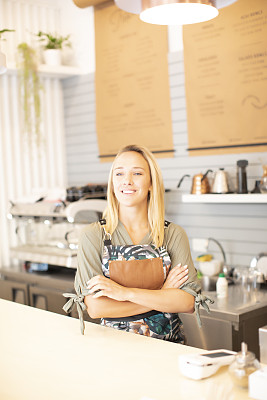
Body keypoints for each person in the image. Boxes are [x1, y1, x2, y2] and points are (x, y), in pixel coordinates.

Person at [63, 144, 211, 342]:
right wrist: (163, 294)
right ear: (112, 183)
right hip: (113, 349)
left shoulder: (173, 234)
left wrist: (124, 293)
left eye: (137, 173)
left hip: (168, 349)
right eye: (119, 174)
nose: (127, 181)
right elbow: (96, 308)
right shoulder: (93, 235)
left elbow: (186, 302)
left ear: (151, 182)